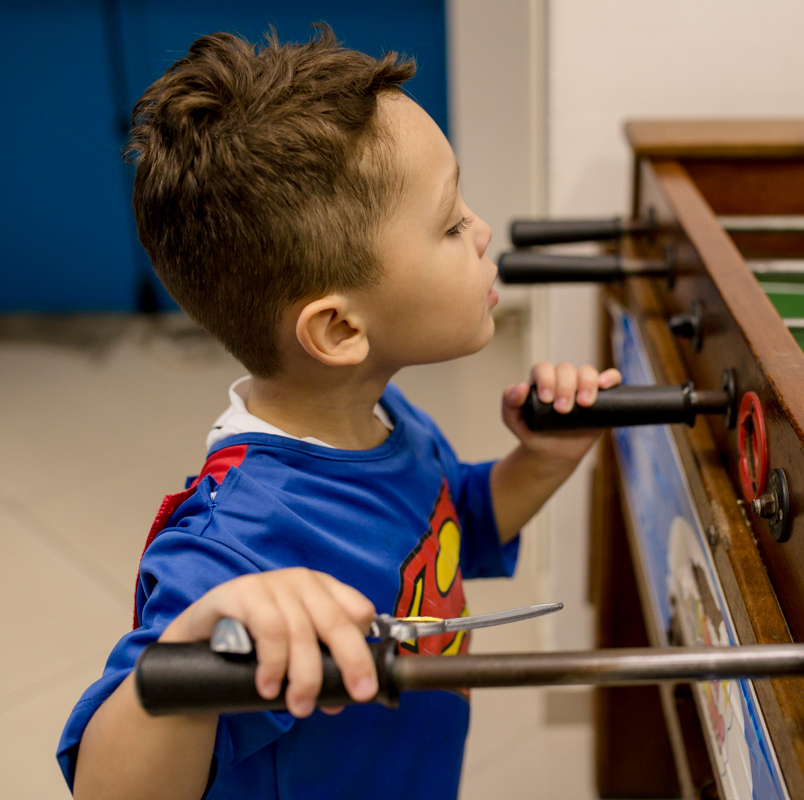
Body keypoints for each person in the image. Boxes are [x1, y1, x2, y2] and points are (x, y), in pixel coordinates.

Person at [56, 24, 619, 800]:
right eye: (451, 223)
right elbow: (105, 791)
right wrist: (202, 634)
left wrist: (546, 458)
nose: (482, 230)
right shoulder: (241, 544)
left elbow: (455, 530)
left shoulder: (381, 417)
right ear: (340, 329)